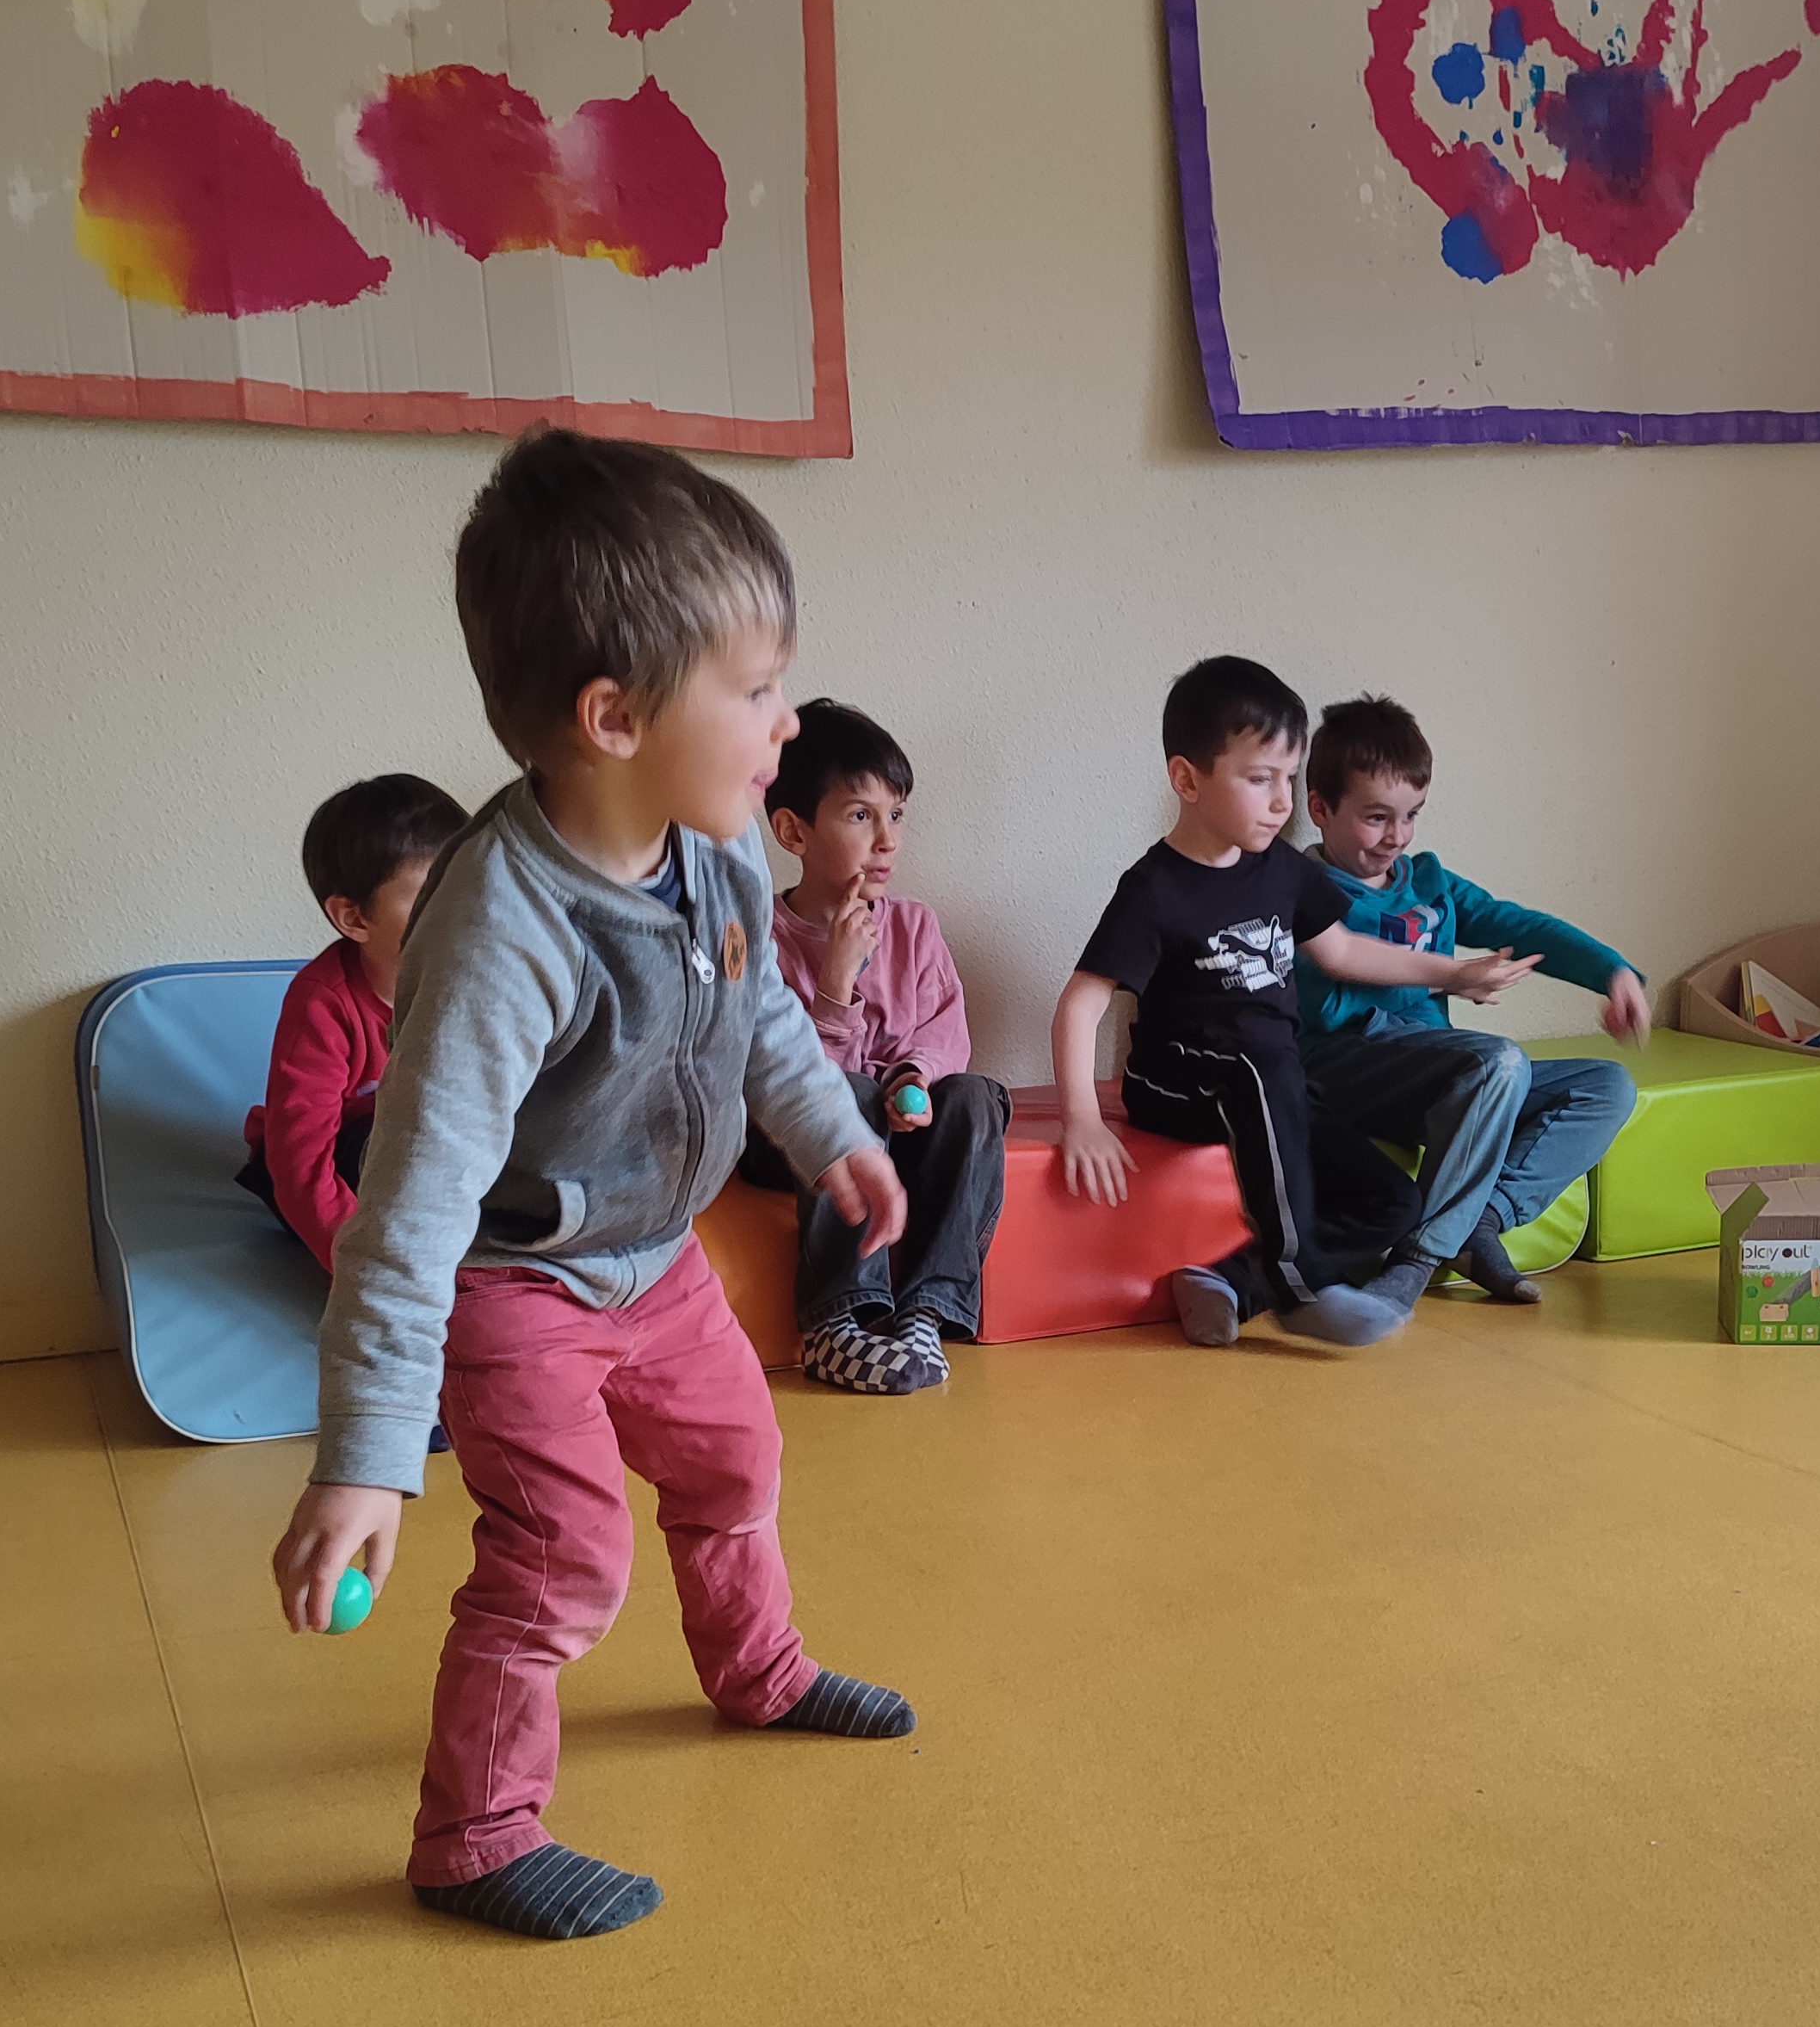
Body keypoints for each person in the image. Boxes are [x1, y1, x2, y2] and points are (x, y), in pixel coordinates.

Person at [269, 427, 916, 1945]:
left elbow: (763, 1017)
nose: (789, 720)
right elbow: (409, 1205)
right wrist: (367, 1455)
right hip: (519, 1288)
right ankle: (475, 1837)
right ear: (615, 717)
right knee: (563, 1558)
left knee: (736, 1465)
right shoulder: (505, 931)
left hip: (658, 1261)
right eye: (756, 690)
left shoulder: (718, 854)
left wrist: (831, 1134)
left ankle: (757, 1670)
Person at [1048, 656, 1535, 1349]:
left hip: (1274, 1087)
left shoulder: (1279, 869)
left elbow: (1343, 951)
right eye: (1260, 779)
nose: (1283, 801)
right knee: (1264, 1067)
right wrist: (1082, 1119)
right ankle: (1298, 1292)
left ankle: (1228, 1279)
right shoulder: (1155, 888)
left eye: (1289, 777)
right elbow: (1082, 1001)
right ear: (1187, 780)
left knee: (1393, 1202)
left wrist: (1453, 973)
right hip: (1176, 1082)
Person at [1293, 696, 1646, 1303]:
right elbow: (1327, 1001)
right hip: (1345, 1068)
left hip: (1442, 1074)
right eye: (1376, 818)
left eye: (1411, 816)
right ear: (1320, 809)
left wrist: (1612, 972)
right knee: (1498, 1060)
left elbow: (1520, 925)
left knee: (1606, 1086)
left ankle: (1481, 1220)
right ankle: (1419, 1257)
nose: (1396, 836)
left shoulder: (1430, 883)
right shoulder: (1301, 888)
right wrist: (1447, 977)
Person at [743, 697, 1008, 1394]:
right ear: (793, 830)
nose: (887, 839)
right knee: (847, 1092)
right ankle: (838, 1321)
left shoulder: (914, 927)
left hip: (898, 1131)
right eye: (861, 816)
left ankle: (927, 1308)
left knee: (977, 1096)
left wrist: (914, 1076)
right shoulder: (761, 936)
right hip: (790, 1141)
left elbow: (946, 1029)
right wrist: (834, 985)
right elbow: (779, 1075)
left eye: (897, 815)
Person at [237, 774, 467, 1271]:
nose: (460, 912)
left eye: (466, 884)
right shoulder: (324, 1005)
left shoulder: (479, 978)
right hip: (339, 1155)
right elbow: (302, 1165)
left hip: (428, 1130)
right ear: (354, 919)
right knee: (392, 1161)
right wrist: (359, 1266)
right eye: (428, 896)